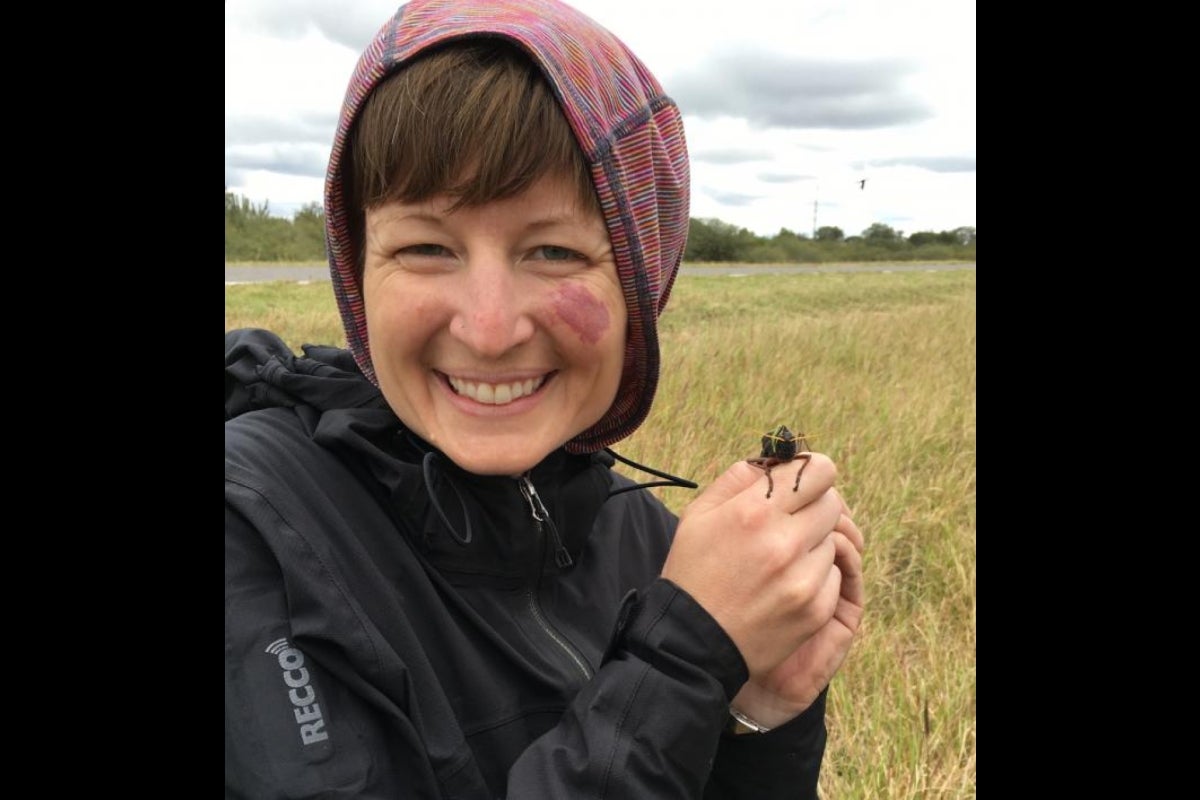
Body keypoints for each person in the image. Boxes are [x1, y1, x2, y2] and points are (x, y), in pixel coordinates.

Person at [224, 0, 865, 796]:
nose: (489, 331)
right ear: (357, 272)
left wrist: (757, 714)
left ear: (640, 284)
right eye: (426, 247)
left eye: (554, 250)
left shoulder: (650, 540)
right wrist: (682, 660)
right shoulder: (254, 526)